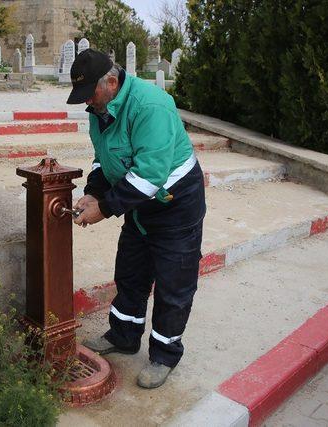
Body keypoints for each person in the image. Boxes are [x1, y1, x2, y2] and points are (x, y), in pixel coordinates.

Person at [67, 49, 206, 389]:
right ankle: (124, 336)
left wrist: (106, 208)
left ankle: (164, 355)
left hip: (175, 205)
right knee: (130, 272)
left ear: (112, 82)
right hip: (139, 204)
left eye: (91, 96)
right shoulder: (98, 110)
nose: (88, 105)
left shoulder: (150, 107)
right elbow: (103, 159)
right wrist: (94, 192)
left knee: (174, 283)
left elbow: (150, 175)